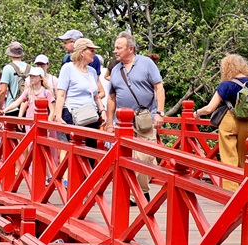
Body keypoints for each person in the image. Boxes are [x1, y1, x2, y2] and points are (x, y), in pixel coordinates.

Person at [105, 32, 165, 199]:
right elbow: (111, 98)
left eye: (119, 48)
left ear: (130, 49)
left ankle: (139, 191)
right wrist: (109, 123)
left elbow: (159, 87)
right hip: (122, 123)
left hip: (145, 118)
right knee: (126, 158)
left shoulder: (146, 63)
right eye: (115, 48)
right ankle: (138, 193)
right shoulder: (116, 69)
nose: (115, 51)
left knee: (145, 156)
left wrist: (160, 112)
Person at [195, 54, 248, 191]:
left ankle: (232, 194)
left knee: (229, 158)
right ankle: (245, 190)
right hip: (247, 122)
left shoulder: (226, 85)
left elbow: (210, 108)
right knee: (243, 158)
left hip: (230, 120)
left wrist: (197, 113)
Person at [51, 37, 105, 147]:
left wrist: (102, 110)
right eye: (91, 50)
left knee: (91, 152)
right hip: (73, 115)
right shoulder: (68, 68)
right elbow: (61, 94)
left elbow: (96, 95)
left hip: (91, 116)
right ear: (82, 52)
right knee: (76, 151)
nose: (94, 54)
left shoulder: (92, 71)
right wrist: (58, 116)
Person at [0, 42, 32, 117]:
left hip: (12, 108)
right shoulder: (30, 68)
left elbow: (2, 91)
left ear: (10, 55)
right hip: (27, 108)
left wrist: (0, 107)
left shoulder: (7, 68)